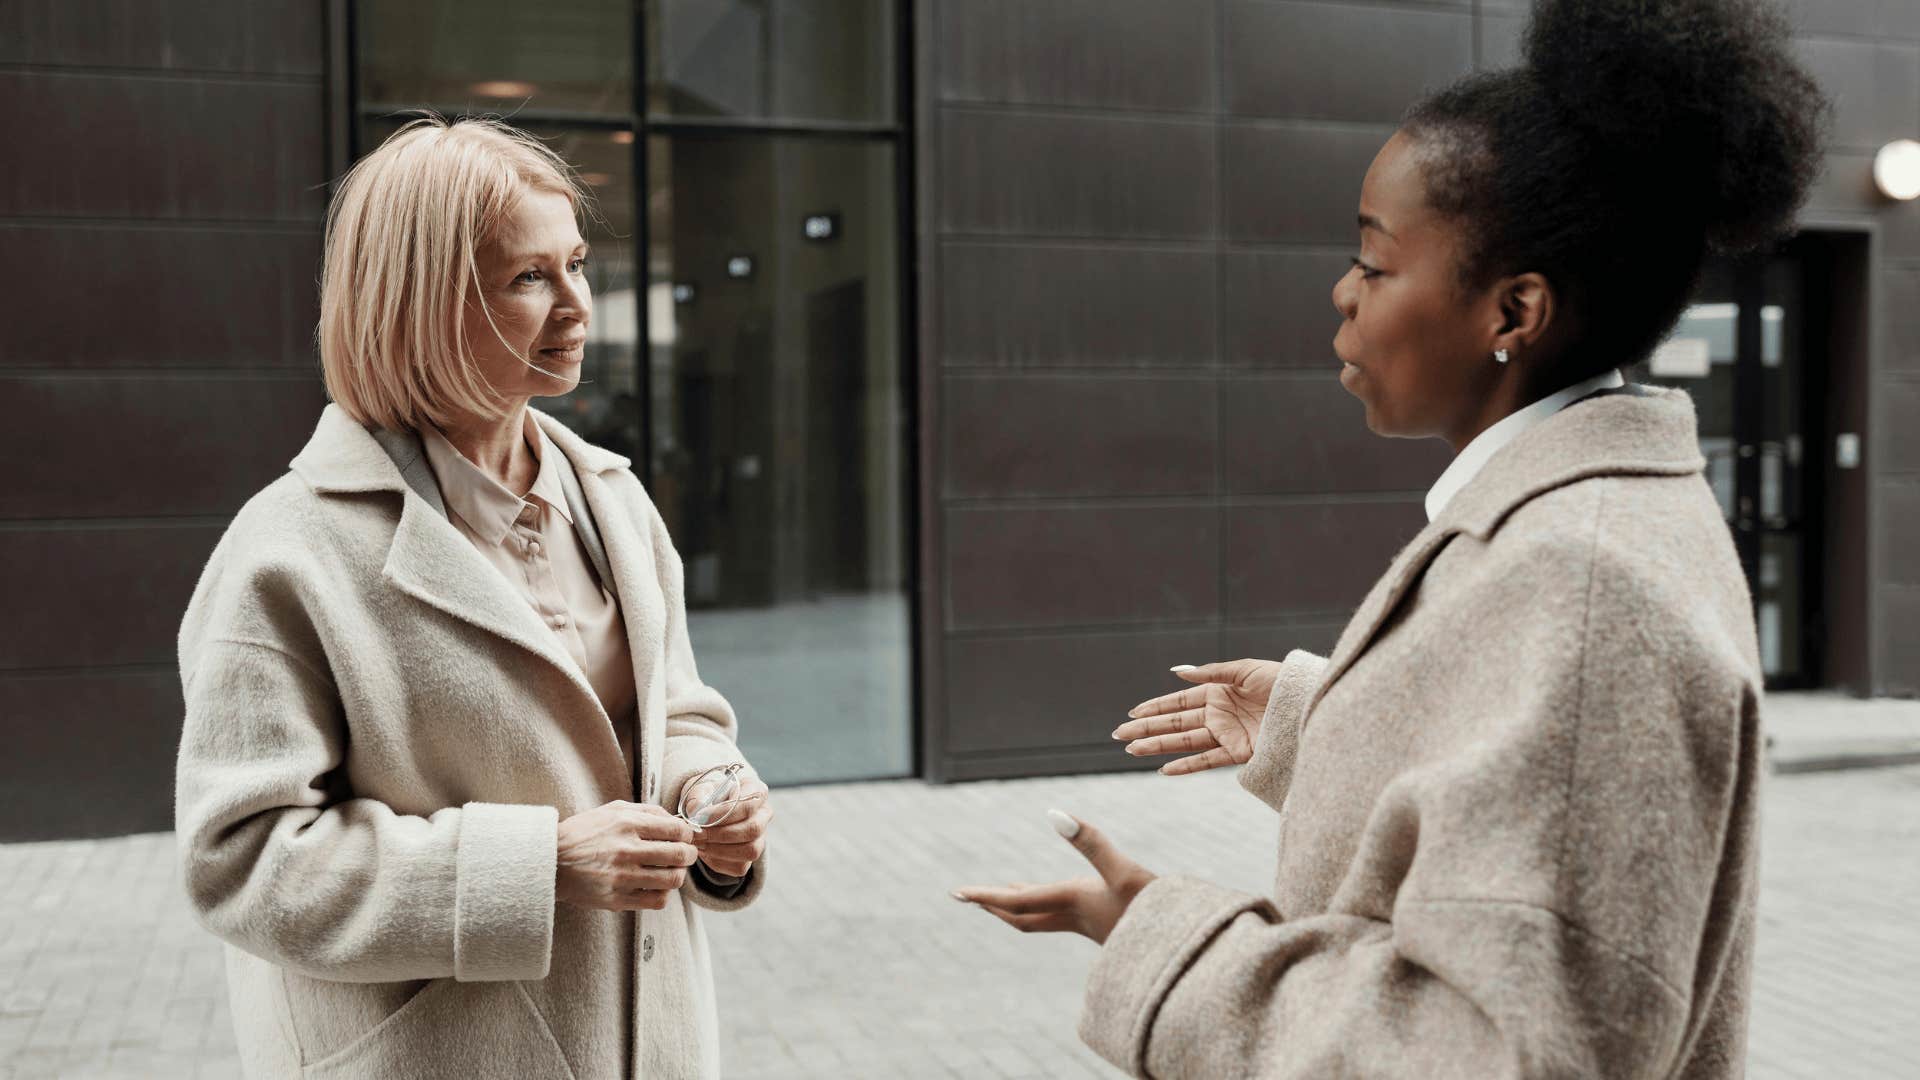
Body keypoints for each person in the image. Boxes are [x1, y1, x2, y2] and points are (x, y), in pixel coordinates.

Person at [954, 0, 1828, 1075]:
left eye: (1373, 263)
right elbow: (1529, 799)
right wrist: (1338, 723)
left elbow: (1491, 1050)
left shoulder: (1591, 582)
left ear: (1514, 314)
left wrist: (1172, 948)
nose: (1342, 292)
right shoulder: (1575, 530)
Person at [173, 116, 772, 1079]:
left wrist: (708, 792)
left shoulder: (612, 498)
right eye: (529, 278)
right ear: (422, 304)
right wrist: (542, 871)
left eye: (576, 263)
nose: (579, 304)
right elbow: (243, 864)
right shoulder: (286, 552)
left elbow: (674, 710)